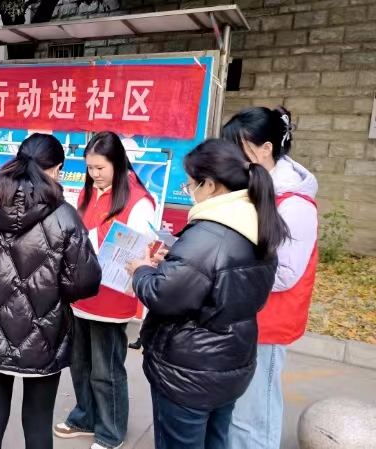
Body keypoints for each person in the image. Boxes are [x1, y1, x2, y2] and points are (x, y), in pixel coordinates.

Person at [127, 139, 290, 449]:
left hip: (190, 370)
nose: (190, 192)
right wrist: (178, 263)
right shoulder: (258, 221)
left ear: (211, 185)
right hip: (232, 361)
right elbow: (220, 280)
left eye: (191, 185)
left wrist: (141, 271)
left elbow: (162, 295)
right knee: (216, 439)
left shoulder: (208, 233)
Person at [0, 134, 102, 449]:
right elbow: (85, 281)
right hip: (43, 334)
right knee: (37, 419)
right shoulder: (64, 215)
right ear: (56, 169)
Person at [222, 106, 319, 449]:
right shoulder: (252, 188)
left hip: (267, 321)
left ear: (265, 148)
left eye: (238, 148)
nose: (231, 156)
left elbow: (286, 274)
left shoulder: (295, 204)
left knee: (254, 414)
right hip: (243, 313)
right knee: (237, 408)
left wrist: (226, 266)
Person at [54, 132, 156, 449]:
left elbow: (137, 250)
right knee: (80, 363)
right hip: (81, 293)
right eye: (90, 168)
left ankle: (111, 432)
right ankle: (85, 417)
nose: (94, 174)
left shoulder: (138, 201)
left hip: (110, 298)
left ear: (118, 163)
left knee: (106, 368)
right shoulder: (90, 192)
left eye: (100, 168)